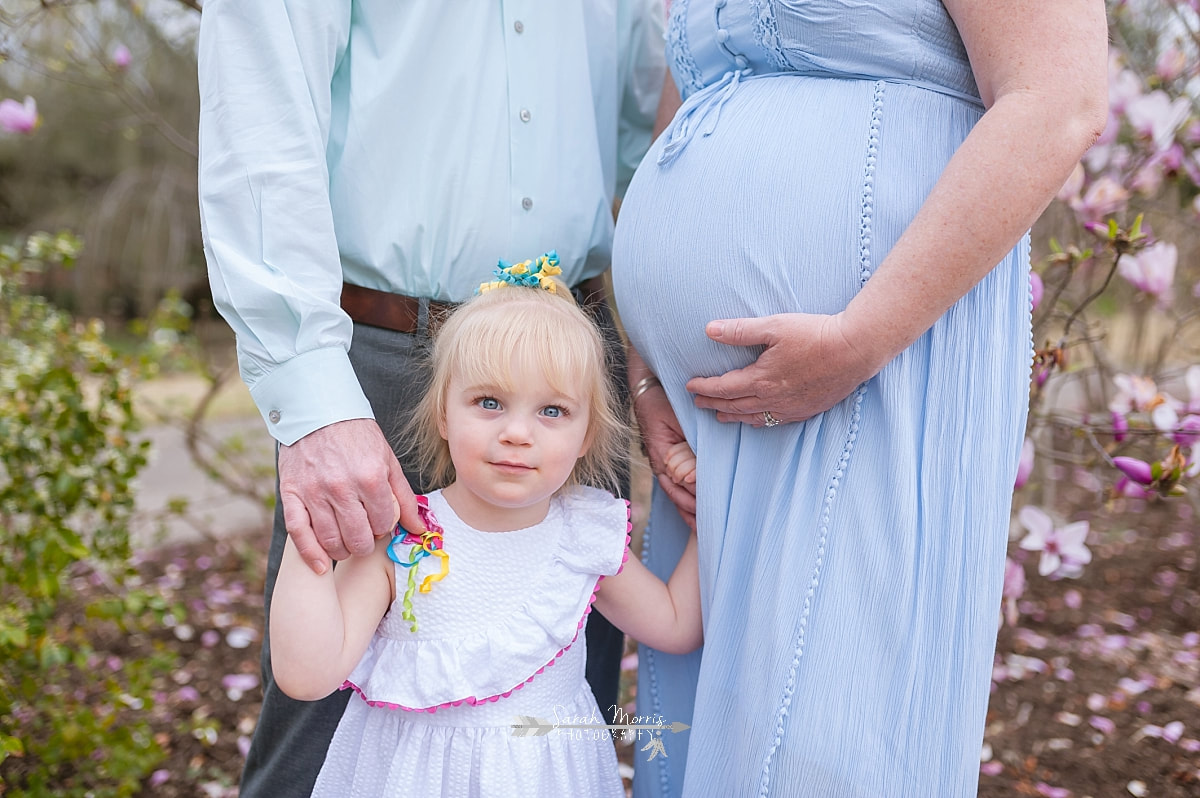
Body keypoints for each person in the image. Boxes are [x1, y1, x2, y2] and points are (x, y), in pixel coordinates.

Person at [612, 1, 1108, 796]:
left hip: (875, 375)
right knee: (713, 725)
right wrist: (648, 363)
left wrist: (861, 338)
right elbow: (701, 91)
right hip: (711, 416)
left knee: (827, 735)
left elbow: (1060, 96)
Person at [196, 3, 665, 796]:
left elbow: (641, 144)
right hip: (382, 355)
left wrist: (649, 361)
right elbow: (261, 116)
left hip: (572, 365)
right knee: (322, 745)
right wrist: (315, 405)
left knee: (548, 724)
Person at [270, 263, 702, 797]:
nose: (517, 433)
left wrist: (709, 514)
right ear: (443, 415)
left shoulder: (582, 537)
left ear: (587, 434)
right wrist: (306, 531)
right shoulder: (402, 536)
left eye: (552, 410)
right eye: (489, 403)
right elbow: (306, 675)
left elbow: (677, 624)